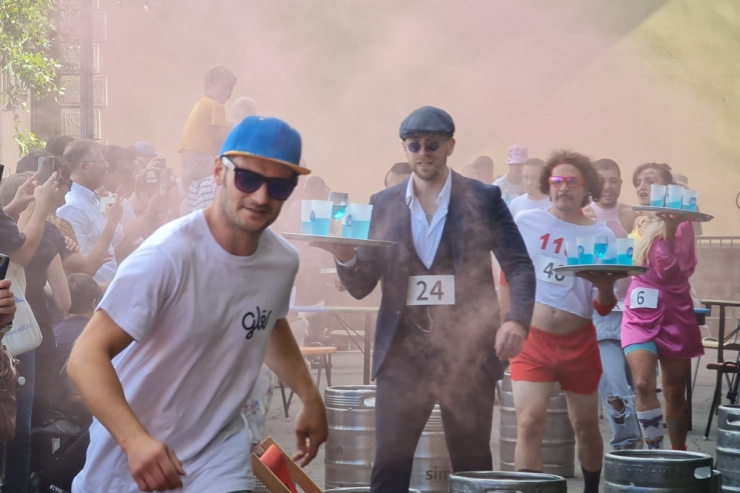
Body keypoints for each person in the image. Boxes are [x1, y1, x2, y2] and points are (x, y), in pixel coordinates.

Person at [67, 116, 328, 493]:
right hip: (131, 465)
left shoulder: (281, 261)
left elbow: (267, 321)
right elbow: (85, 357)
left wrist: (309, 394)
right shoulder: (165, 256)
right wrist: (135, 441)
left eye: (280, 184)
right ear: (219, 170)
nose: (261, 197)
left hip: (218, 454)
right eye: (249, 179)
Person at [317, 106, 536, 493]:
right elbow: (361, 285)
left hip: (466, 352)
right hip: (402, 353)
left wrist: (516, 319)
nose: (423, 152)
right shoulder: (382, 202)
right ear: (405, 148)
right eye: (414, 145)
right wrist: (344, 254)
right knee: (389, 461)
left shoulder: (483, 198)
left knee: (472, 462)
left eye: (432, 144)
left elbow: (518, 265)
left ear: (450, 145)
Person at [507, 150, 624, 493]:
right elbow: (508, 277)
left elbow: (603, 306)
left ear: (585, 187)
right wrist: (506, 321)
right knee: (529, 422)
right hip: (533, 341)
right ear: (548, 185)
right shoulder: (527, 221)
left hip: (579, 343)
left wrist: (605, 287)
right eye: (557, 181)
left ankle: (590, 489)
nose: (563, 187)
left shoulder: (602, 235)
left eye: (572, 181)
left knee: (585, 426)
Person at [0, 170, 62, 493]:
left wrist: (13, 208)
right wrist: (39, 206)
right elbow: (21, 250)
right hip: (11, 337)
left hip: (14, 331)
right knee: (17, 429)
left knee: (15, 428)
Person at [622, 206, 701, 450]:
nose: (644, 188)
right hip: (639, 312)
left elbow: (671, 271)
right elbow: (626, 260)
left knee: (675, 391)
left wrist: (668, 228)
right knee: (643, 384)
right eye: (640, 182)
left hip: (675, 313)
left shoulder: (683, 225)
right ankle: (654, 453)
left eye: (651, 181)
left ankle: (679, 454)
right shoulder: (639, 221)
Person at [582, 158, 641, 450]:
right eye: (602, 180)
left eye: (614, 180)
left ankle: (649, 447)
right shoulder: (583, 215)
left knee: (642, 386)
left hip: (635, 312)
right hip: (600, 314)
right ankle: (626, 444)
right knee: (615, 385)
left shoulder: (631, 216)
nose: (608, 187)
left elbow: (643, 259)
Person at [56, 139, 146, 283]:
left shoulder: (95, 198)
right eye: (102, 161)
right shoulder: (72, 207)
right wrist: (112, 221)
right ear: (84, 167)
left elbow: (117, 240)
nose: (107, 166)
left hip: (108, 290)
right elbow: (81, 269)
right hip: (92, 297)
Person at [178, 64, 236, 214]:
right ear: (208, 86)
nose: (227, 92)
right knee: (238, 169)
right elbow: (220, 138)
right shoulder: (215, 105)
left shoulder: (201, 104)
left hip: (189, 163)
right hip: (200, 160)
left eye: (230, 89)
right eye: (223, 87)